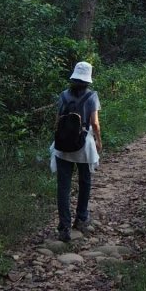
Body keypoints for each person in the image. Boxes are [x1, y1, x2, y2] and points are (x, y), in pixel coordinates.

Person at [53, 60, 102, 242]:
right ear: (88, 79)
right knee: (85, 181)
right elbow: (95, 123)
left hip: (63, 145)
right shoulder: (92, 96)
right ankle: (81, 218)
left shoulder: (64, 95)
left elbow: (57, 120)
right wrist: (99, 141)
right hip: (83, 144)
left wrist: (57, 138)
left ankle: (63, 228)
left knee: (63, 187)